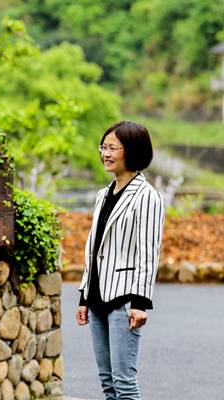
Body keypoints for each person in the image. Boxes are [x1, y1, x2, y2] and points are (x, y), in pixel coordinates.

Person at [76, 121, 165, 400]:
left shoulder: (147, 197)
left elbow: (148, 253)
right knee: (107, 383)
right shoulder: (104, 194)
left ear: (132, 151)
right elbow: (94, 246)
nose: (105, 153)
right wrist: (83, 294)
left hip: (125, 300)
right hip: (97, 298)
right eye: (103, 147)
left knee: (124, 382)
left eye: (113, 147)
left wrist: (140, 303)